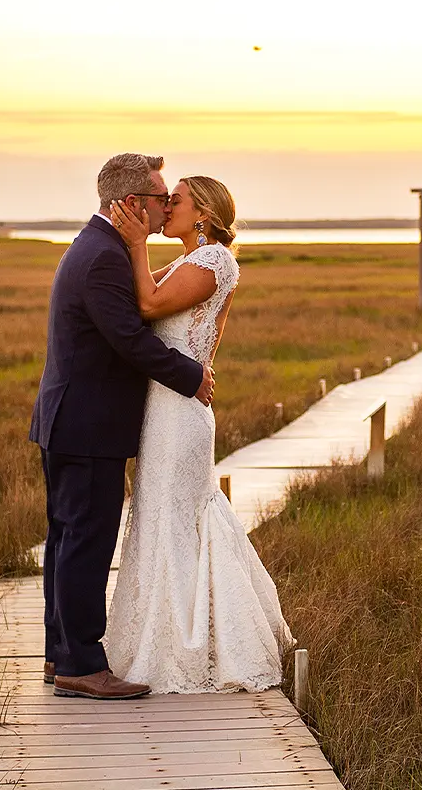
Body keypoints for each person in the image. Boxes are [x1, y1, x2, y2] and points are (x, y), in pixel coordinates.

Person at [28, 153, 216, 700]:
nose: (164, 210)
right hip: (87, 425)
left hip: (71, 420)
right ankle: (83, 666)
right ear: (132, 203)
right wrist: (191, 376)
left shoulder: (96, 246)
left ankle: (59, 654)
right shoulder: (105, 257)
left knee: (68, 539)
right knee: (85, 542)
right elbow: (130, 341)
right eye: (160, 200)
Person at [104, 175, 294, 692]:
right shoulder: (192, 260)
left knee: (177, 513)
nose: (167, 207)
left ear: (203, 214)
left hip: (181, 414)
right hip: (162, 410)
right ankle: (160, 633)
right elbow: (137, 287)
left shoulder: (214, 263)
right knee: (161, 513)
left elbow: (146, 307)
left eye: (177, 200)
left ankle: (192, 645)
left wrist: (138, 242)